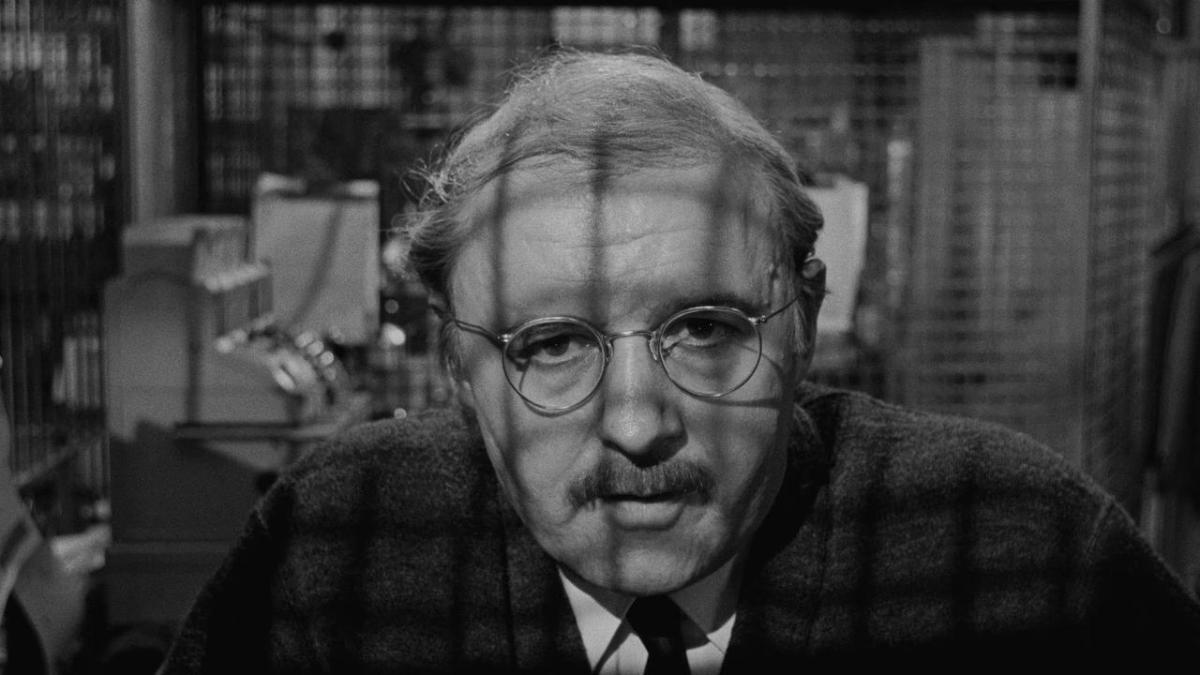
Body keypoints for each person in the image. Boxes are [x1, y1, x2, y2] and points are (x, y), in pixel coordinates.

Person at [161, 49, 1200, 673]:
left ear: (805, 321)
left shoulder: (1027, 552)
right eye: (552, 344)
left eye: (705, 327)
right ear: (456, 368)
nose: (637, 421)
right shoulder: (333, 553)